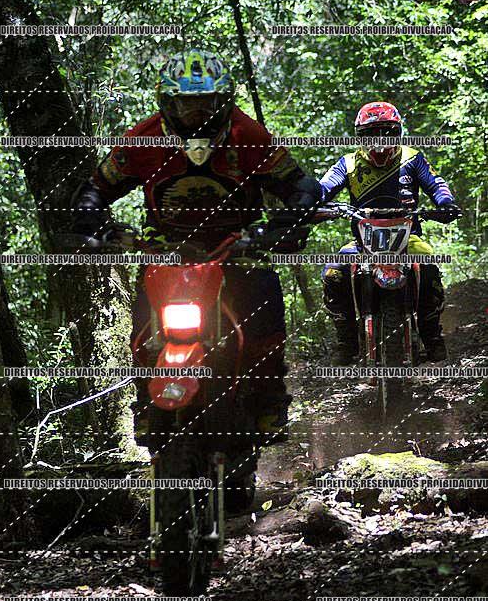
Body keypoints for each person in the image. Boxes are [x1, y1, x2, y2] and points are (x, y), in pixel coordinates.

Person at [70, 48, 321, 441]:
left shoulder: (247, 135)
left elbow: (300, 184)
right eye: (186, 106)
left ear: (225, 103)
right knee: (144, 325)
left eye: (206, 105)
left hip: (236, 245)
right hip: (166, 248)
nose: (197, 116)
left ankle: (270, 400)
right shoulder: (143, 139)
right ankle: (145, 401)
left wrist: (288, 223)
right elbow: (96, 188)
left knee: (264, 301)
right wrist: (91, 222)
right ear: (167, 104)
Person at [318, 101, 461, 364]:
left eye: (387, 132)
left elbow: (436, 183)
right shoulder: (348, 163)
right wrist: (312, 204)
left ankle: (432, 336)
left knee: (428, 265)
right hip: (363, 243)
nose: (380, 140)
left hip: (408, 239)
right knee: (333, 272)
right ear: (361, 136)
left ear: (398, 132)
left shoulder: (413, 158)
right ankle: (346, 342)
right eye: (372, 133)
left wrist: (446, 203)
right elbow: (324, 188)